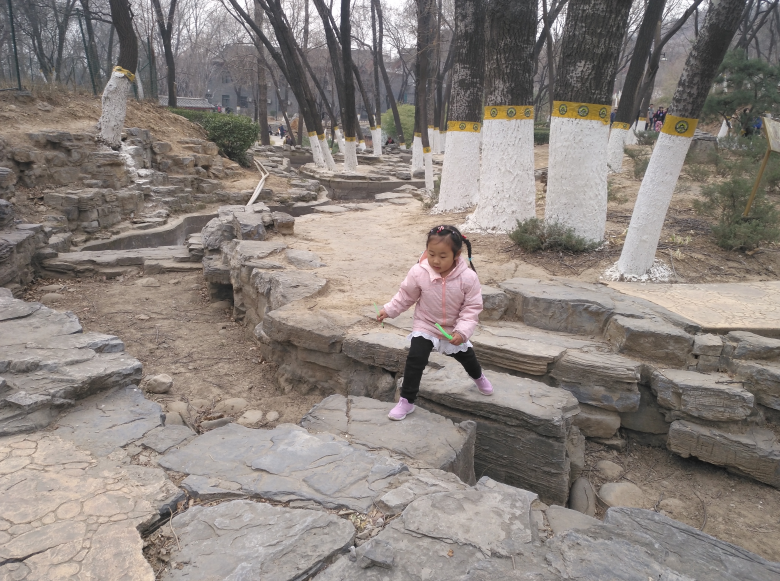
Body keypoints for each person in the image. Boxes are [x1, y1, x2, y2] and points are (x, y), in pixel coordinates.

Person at [377, 225, 493, 421]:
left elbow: (471, 308)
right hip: (426, 324)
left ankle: (478, 377)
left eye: (442, 256)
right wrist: (388, 310)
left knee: (467, 357)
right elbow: (406, 296)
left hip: (454, 328)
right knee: (415, 359)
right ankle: (406, 400)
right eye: (431, 254)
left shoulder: (468, 278)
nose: (436, 260)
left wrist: (462, 332)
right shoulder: (419, 272)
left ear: (457, 255)